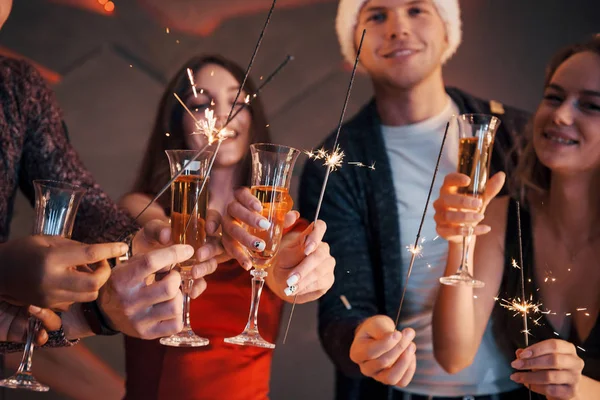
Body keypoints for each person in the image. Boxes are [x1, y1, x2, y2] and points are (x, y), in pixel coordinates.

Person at [298, 0, 531, 398]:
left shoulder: (515, 136)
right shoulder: (335, 164)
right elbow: (341, 306)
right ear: (352, 42)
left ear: (447, 31)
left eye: (417, 9)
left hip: (520, 389)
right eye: (375, 15)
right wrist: (361, 341)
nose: (397, 28)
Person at [119, 54, 335, 400]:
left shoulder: (277, 222)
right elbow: (154, 228)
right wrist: (166, 233)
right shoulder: (142, 210)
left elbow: (286, 254)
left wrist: (300, 269)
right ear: (177, 122)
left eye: (236, 101)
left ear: (252, 116)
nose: (222, 113)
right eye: (202, 102)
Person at [433, 35, 600, 399]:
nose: (560, 114)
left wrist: (583, 391)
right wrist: (459, 240)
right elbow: (453, 355)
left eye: (591, 106)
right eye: (554, 97)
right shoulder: (503, 216)